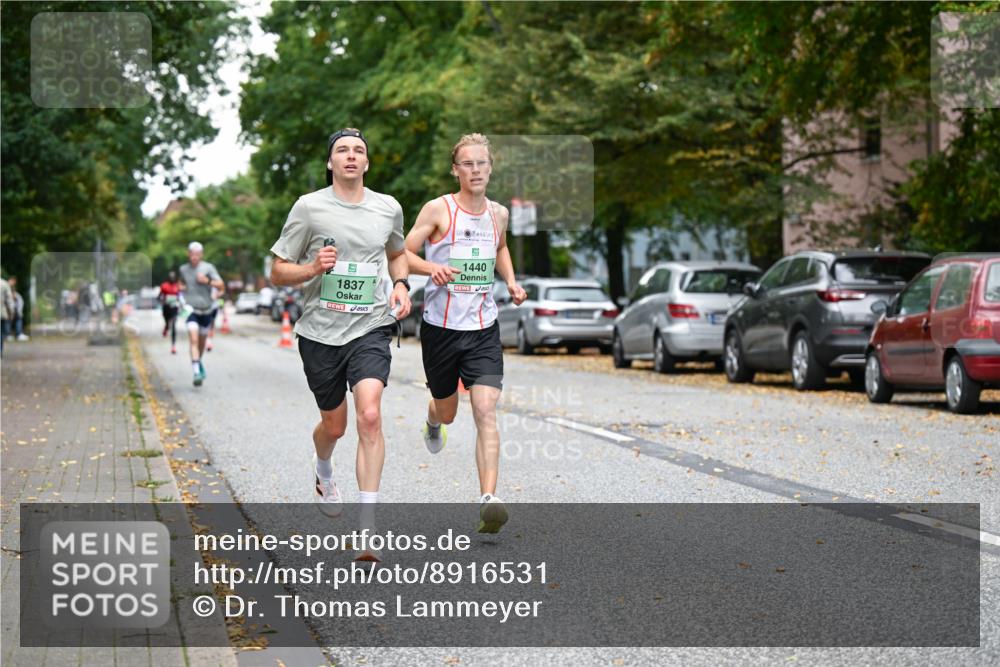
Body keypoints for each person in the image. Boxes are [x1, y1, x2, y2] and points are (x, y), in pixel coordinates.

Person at [270, 128, 411, 561]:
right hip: (319, 332)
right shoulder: (309, 208)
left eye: (359, 151)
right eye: (342, 150)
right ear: (330, 162)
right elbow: (277, 272)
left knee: (370, 415)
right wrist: (312, 268)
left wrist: (402, 284)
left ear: (367, 163)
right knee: (335, 426)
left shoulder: (388, 207)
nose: (351, 156)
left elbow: (397, 252)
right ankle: (324, 468)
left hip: (369, 325)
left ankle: (367, 532)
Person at [404, 133, 527, 534]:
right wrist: (430, 270)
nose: (476, 170)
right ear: (456, 169)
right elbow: (402, 252)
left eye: (482, 164)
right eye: (468, 164)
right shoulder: (438, 210)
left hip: (482, 328)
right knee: (449, 411)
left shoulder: (498, 214)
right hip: (441, 329)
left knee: (485, 409)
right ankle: (433, 419)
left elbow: (501, 248)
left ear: (491, 168)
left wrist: (510, 280)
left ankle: (488, 499)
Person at [178, 242, 224, 386]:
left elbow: (221, 285)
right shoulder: (183, 269)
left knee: (201, 343)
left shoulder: (208, 268)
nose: (194, 257)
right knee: (193, 339)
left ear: (201, 255)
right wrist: (181, 290)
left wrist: (207, 280)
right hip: (191, 309)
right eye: (192, 254)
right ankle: (196, 371)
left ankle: (198, 361)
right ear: (188, 254)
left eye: (197, 255)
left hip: (207, 309)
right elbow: (181, 285)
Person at [158, 271, 181, 354]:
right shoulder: (164, 286)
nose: (172, 278)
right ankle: (166, 327)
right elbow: (159, 297)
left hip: (174, 308)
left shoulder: (177, 286)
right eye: (170, 277)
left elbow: (180, 296)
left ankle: (173, 346)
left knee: (174, 325)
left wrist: (180, 301)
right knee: (168, 324)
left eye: (173, 277)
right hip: (166, 308)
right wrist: (163, 301)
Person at [8, 276, 27, 341]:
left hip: (16, 310)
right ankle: (8, 335)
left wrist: (19, 311)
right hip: (9, 311)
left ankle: (19, 334)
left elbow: (20, 302)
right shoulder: (6, 287)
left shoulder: (17, 295)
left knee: (18, 319)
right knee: (9, 322)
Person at [1, 275, 14, 354]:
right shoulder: (4, 284)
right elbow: (9, 300)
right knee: (1, 333)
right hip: (2, 311)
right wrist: (11, 311)